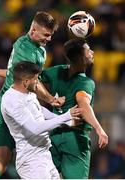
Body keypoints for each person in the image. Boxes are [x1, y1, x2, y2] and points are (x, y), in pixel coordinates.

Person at [0, 11, 68, 179]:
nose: (49, 39)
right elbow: (27, 80)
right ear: (33, 30)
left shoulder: (38, 49)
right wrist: (51, 99)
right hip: (14, 102)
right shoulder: (25, 48)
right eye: (46, 34)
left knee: (3, 159)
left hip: (22, 101)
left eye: (51, 35)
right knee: (3, 158)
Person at [40, 38, 108, 179]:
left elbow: (29, 78)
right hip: (75, 141)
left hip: (53, 137)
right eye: (88, 51)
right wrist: (99, 129)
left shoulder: (55, 72)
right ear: (80, 58)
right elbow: (83, 105)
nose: (92, 52)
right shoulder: (85, 82)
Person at [1, 61, 82, 179]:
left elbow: (40, 111)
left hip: (44, 154)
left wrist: (67, 121)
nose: (38, 82)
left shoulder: (28, 92)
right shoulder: (11, 100)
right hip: (31, 161)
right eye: (36, 79)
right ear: (25, 82)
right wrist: (65, 116)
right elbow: (35, 128)